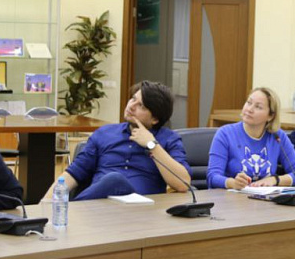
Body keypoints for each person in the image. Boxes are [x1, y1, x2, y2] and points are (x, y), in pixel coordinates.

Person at [48, 81, 190, 201]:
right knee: (113, 180)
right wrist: (45, 204)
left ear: (155, 119)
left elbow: (183, 183)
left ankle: (74, 210)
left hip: (142, 211)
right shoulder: (104, 133)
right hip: (99, 207)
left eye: (141, 106)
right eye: (133, 99)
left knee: (115, 180)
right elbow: (73, 173)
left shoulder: (169, 139)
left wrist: (152, 145)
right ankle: (74, 210)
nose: (131, 106)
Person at [206, 87, 295, 189]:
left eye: (258, 107)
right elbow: (212, 177)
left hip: (265, 197)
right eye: (249, 102)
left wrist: (275, 180)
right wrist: (232, 183)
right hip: (232, 197)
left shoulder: (277, 136)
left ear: (270, 116)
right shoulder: (225, 134)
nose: (249, 109)